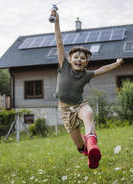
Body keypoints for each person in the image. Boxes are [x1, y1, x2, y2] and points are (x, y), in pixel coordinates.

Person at [52, 10, 124, 169]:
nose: (79, 59)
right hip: (64, 109)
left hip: (79, 104)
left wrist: (117, 64)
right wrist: (57, 21)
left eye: (83, 58)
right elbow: (59, 42)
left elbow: (103, 69)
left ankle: (93, 145)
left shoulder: (86, 74)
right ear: (70, 59)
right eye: (76, 57)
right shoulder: (63, 65)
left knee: (89, 114)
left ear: (86, 63)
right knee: (79, 145)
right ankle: (90, 154)